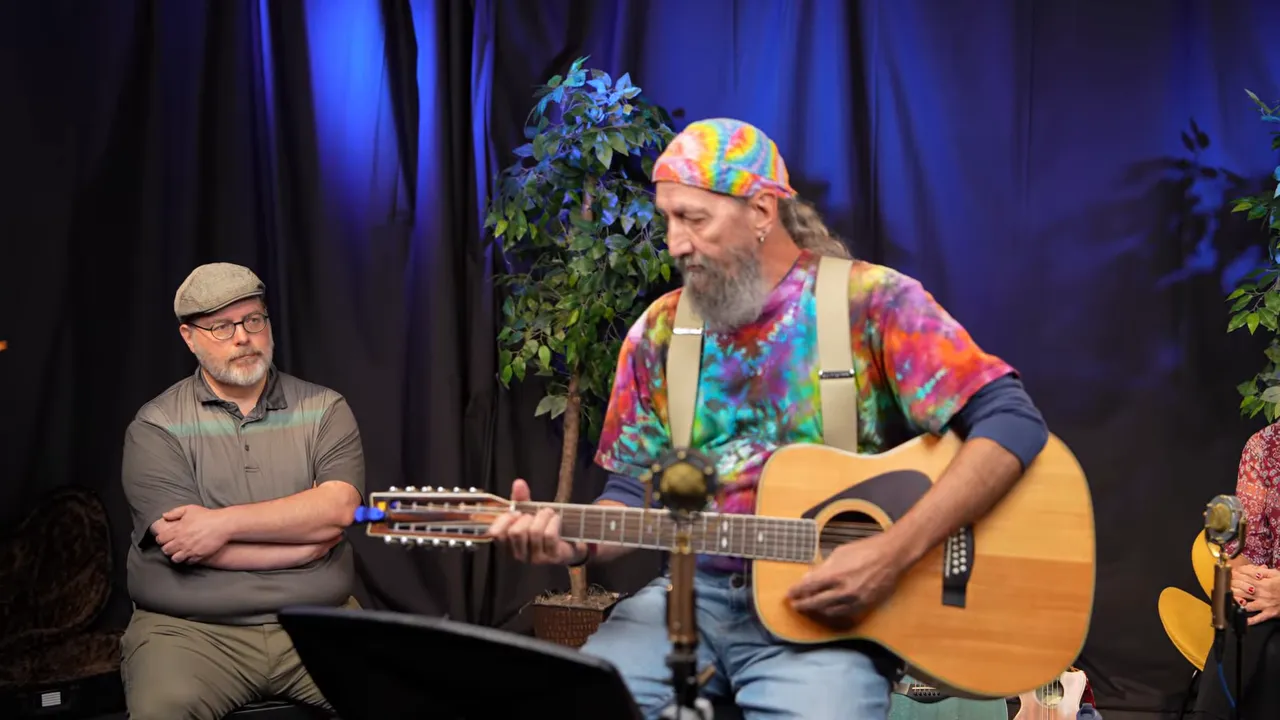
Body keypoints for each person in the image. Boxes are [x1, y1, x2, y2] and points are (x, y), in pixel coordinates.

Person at [488, 118, 1050, 720]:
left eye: (694, 219)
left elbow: (1012, 423)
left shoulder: (872, 303)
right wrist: (568, 541)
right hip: (689, 601)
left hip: (828, 618)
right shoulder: (659, 331)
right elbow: (631, 493)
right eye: (668, 220)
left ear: (761, 210)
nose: (675, 242)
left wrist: (893, 552)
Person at [119, 262, 365, 720]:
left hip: (320, 623)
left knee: (406, 696)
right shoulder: (156, 425)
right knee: (162, 709)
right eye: (221, 327)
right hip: (192, 633)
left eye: (253, 319)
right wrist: (308, 542)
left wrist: (220, 524)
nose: (243, 337)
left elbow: (340, 508)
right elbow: (186, 545)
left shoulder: (325, 408)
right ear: (188, 337)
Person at [1190, 423, 1280, 718]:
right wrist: (1256, 590)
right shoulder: (1266, 446)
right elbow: (1248, 554)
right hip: (1269, 597)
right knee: (1245, 626)